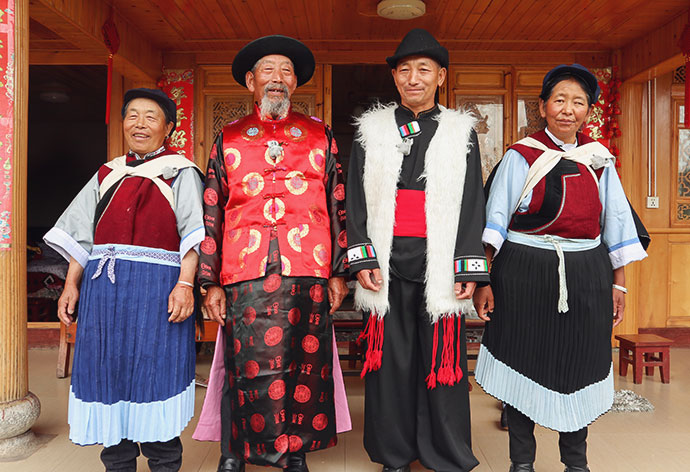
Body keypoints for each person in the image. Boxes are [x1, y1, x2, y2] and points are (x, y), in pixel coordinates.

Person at [473, 64, 648, 472]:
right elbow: (494, 221)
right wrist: (484, 281)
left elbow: (617, 225)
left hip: (587, 275)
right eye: (559, 100)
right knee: (521, 361)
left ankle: (575, 462)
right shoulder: (521, 155)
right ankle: (522, 461)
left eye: (578, 102)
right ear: (543, 106)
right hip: (522, 274)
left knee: (580, 362)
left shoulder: (598, 159)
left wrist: (618, 286)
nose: (568, 110)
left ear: (588, 111)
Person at [194, 35, 349, 472]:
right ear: (250, 81)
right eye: (268, 70)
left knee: (303, 362)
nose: (277, 79)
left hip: (308, 266)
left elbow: (338, 202)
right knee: (244, 364)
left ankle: (293, 450)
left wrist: (339, 272)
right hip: (244, 266)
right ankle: (234, 452)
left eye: (286, 71)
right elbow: (212, 210)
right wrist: (209, 282)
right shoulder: (228, 138)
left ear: (296, 83)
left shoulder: (321, 135)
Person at [346, 28, 489, 472]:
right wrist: (362, 258)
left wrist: (468, 267)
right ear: (394, 78)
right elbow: (354, 198)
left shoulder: (459, 131)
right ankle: (393, 454)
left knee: (440, 364)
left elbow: (471, 204)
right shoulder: (370, 130)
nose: (413, 78)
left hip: (440, 263)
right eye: (404, 70)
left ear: (440, 76)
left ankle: (443, 453)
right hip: (386, 263)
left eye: (423, 70)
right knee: (389, 365)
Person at [44, 88, 205, 471]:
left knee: (156, 371)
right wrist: (71, 286)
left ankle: (164, 462)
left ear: (168, 128)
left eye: (151, 117)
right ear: (123, 124)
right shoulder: (106, 173)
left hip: (158, 293)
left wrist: (185, 286)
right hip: (103, 295)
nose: (140, 124)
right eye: (132, 115)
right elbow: (82, 236)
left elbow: (195, 233)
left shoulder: (181, 172)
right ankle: (117, 463)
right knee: (105, 371)